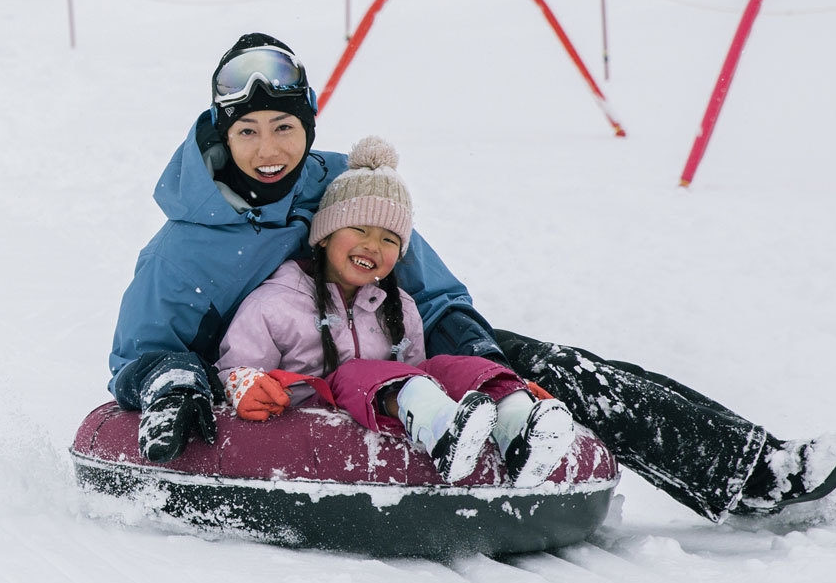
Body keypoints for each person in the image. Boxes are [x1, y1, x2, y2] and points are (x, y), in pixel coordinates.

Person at [107, 32, 836, 520]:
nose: (269, 150)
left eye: (285, 128)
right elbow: (139, 352)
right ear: (221, 135)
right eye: (248, 131)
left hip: (396, 343)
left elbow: (431, 288)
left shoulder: (340, 185)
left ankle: (753, 468)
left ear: (308, 126)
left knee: (559, 368)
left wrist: (484, 357)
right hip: (293, 382)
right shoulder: (182, 246)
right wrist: (178, 383)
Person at [216, 136, 579, 487]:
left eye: (389, 239)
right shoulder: (276, 302)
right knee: (355, 373)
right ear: (324, 235)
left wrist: (498, 380)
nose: (372, 246)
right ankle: (440, 428)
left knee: (444, 367)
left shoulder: (400, 308)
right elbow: (235, 366)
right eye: (359, 228)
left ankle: (516, 419)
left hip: (390, 412)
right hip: (312, 419)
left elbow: (421, 370)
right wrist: (243, 383)